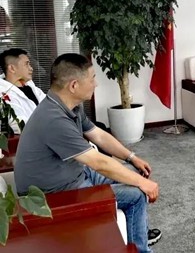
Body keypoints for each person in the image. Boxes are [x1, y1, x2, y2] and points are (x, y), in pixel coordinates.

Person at [14, 53, 162, 252]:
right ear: (74, 85)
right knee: (136, 194)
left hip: (76, 174)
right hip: (54, 195)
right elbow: (98, 162)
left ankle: (136, 234)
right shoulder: (53, 119)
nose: (96, 84)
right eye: (92, 79)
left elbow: (98, 135)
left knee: (134, 174)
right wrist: (143, 184)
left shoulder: (69, 106)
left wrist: (131, 157)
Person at [0, 48, 45, 133]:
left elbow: (51, 107)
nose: (31, 68)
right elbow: (18, 124)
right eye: (26, 64)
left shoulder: (32, 88)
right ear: (12, 68)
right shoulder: (3, 94)